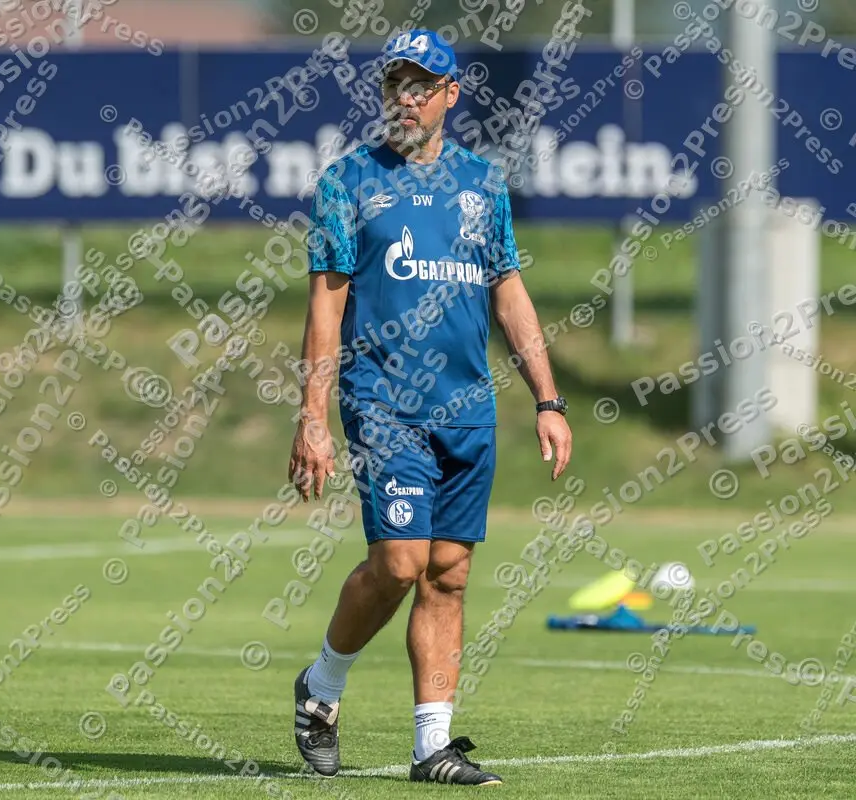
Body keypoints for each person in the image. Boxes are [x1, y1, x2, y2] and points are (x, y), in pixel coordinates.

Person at [287, 29, 573, 786]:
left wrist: (548, 399)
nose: (405, 99)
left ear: (450, 94)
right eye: (395, 85)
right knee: (401, 561)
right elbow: (325, 309)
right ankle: (321, 687)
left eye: (421, 86)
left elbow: (508, 293)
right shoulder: (348, 181)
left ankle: (431, 748)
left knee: (448, 572)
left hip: (466, 409)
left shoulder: (483, 183)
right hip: (384, 404)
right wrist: (314, 417)